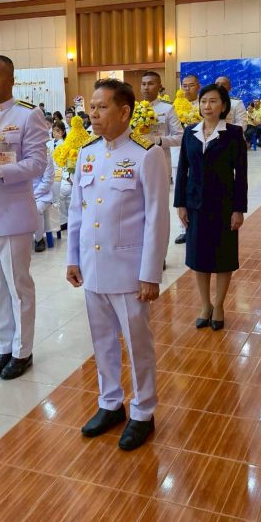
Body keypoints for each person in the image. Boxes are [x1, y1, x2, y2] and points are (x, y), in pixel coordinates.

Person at [67, 78, 170, 450]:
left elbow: (157, 218)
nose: (93, 114)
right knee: (102, 341)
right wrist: (72, 258)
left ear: (124, 111)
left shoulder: (146, 154)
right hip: (93, 265)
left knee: (138, 344)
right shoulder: (87, 152)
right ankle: (110, 402)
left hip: (129, 270)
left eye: (102, 107)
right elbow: (77, 210)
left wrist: (150, 274)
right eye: (91, 107)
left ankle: (143, 411)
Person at [0, 54, 48, 379]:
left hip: (13, 214)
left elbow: (37, 163)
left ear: (12, 80)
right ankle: (3, 346)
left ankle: (22, 351)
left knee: (18, 287)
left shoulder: (28, 115)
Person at [174, 83, 247, 330]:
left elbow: (241, 175)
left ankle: (219, 305)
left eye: (213, 101)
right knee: (199, 256)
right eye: (204, 101)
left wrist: (239, 209)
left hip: (224, 206)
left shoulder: (233, 133)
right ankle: (205, 305)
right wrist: (180, 204)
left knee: (224, 257)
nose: (207, 105)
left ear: (224, 105)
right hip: (195, 205)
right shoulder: (190, 132)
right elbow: (182, 170)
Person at [140, 70, 183, 182]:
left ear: (159, 87)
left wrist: (157, 140)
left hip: (160, 160)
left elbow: (180, 137)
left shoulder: (168, 109)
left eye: (150, 84)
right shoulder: (135, 109)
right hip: (138, 160)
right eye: (143, 84)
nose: (146, 87)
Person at [174, 73, 200, 243]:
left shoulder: (204, 104)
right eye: (184, 85)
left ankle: (199, 224)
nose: (187, 89)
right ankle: (183, 228)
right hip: (179, 153)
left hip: (199, 154)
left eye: (191, 85)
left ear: (198, 86)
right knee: (181, 189)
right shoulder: (174, 106)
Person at [33, 150, 55, 252]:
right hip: (22, 193)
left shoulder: (45, 155)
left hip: (42, 195)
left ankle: (39, 239)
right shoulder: (19, 152)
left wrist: (32, 195)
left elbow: (48, 180)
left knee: (36, 209)